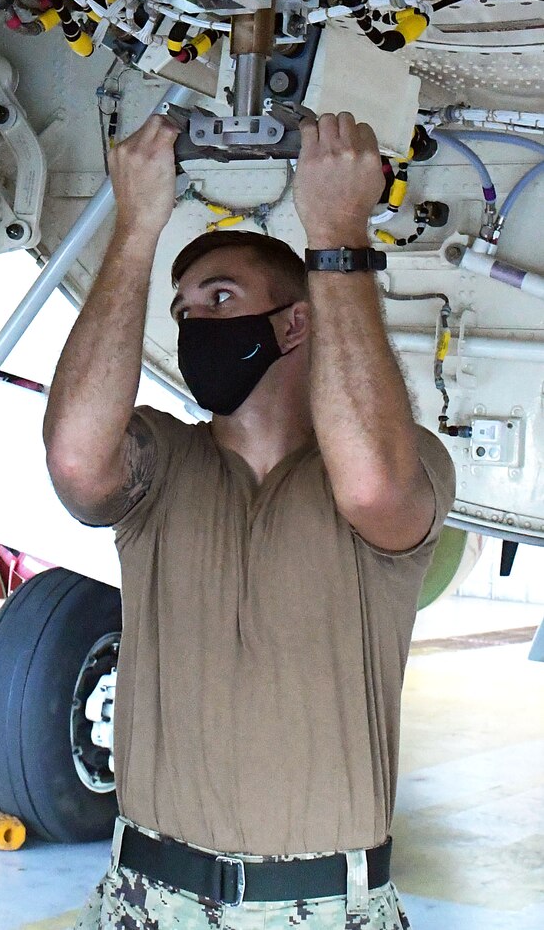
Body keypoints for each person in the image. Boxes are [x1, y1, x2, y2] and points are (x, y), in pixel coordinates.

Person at [43, 112, 456, 929]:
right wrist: (136, 229)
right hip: (147, 900)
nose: (195, 324)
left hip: (324, 907)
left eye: (221, 298)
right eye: (186, 310)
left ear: (293, 323)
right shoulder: (162, 464)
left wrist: (338, 231)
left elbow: (375, 487)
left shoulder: (407, 464)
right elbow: (76, 463)